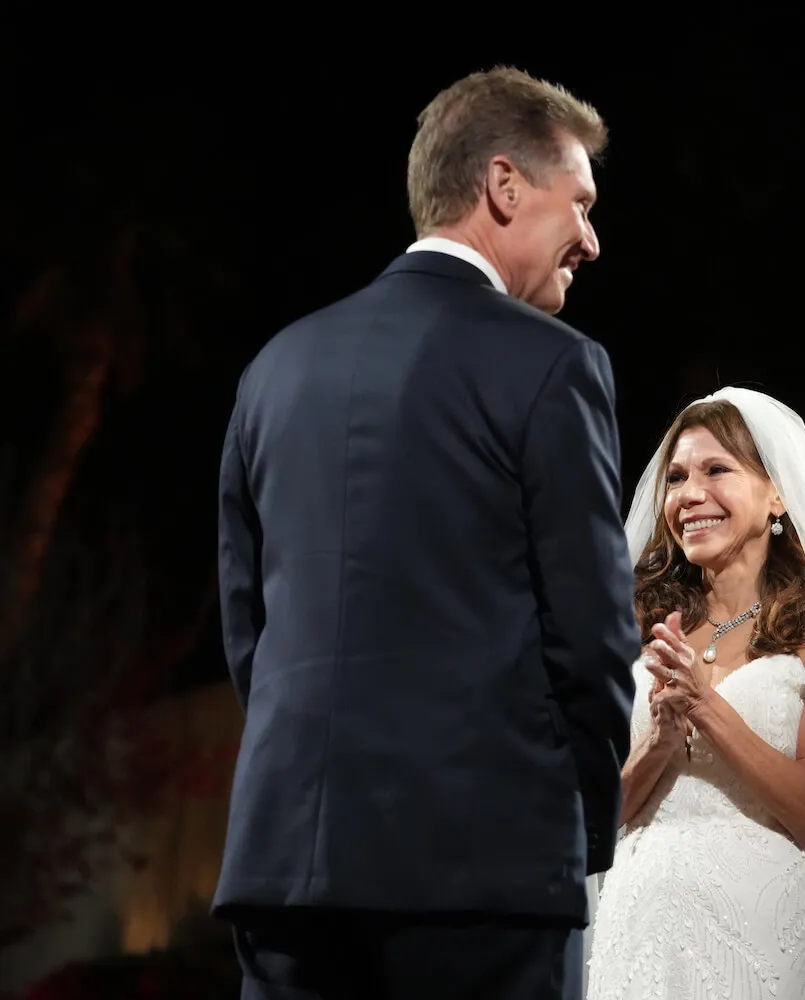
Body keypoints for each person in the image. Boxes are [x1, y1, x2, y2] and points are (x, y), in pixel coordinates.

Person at [214, 66, 638, 1000]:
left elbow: (250, 631)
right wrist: (576, 827)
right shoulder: (553, 366)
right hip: (481, 878)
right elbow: (595, 641)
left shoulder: (273, 370)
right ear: (503, 185)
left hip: (287, 867)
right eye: (582, 204)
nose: (592, 241)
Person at [584, 388, 805, 1000]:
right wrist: (659, 738)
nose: (689, 495)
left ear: (777, 493)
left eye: (717, 470)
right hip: (642, 927)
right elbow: (601, 820)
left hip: (765, 932)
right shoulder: (644, 619)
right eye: (676, 477)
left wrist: (705, 707)